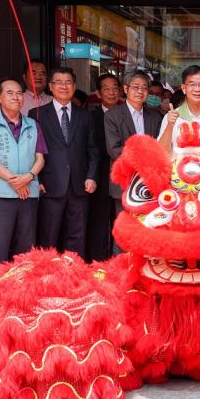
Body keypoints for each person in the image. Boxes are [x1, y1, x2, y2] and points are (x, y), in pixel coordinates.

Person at [0, 78, 46, 272]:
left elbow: (40, 159)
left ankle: (21, 294)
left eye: (19, 93)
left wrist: (28, 176)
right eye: (9, 93)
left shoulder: (33, 124)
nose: (16, 97)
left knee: (26, 250)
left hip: (28, 195)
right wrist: (15, 181)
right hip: (0, 195)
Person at [30, 67, 99, 259]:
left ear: (75, 86)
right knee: (48, 235)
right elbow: (31, 151)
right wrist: (37, 179)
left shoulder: (85, 115)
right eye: (58, 82)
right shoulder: (36, 114)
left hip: (80, 185)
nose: (64, 86)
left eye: (68, 82)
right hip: (49, 185)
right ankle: (47, 276)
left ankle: (74, 276)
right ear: (50, 86)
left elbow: (92, 149)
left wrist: (91, 176)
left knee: (77, 235)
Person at [104, 70, 163, 227]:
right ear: (125, 89)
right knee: (124, 226)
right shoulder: (112, 115)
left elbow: (160, 147)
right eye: (136, 87)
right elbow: (114, 149)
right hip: (124, 179)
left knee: (148, 226)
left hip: (150, 181)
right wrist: (142, 162)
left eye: (144, 88)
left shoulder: (155, 116)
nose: (140, 91)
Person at [86, 73, 121, 262]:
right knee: (98, 223)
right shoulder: (91, 116)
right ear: (98, 93)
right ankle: (98, 263)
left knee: (119, 223)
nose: (111, 92)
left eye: (115, 88)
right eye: (106, 89)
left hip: (121, 178)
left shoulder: (126, 114)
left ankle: (118, 262)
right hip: (98, 177)